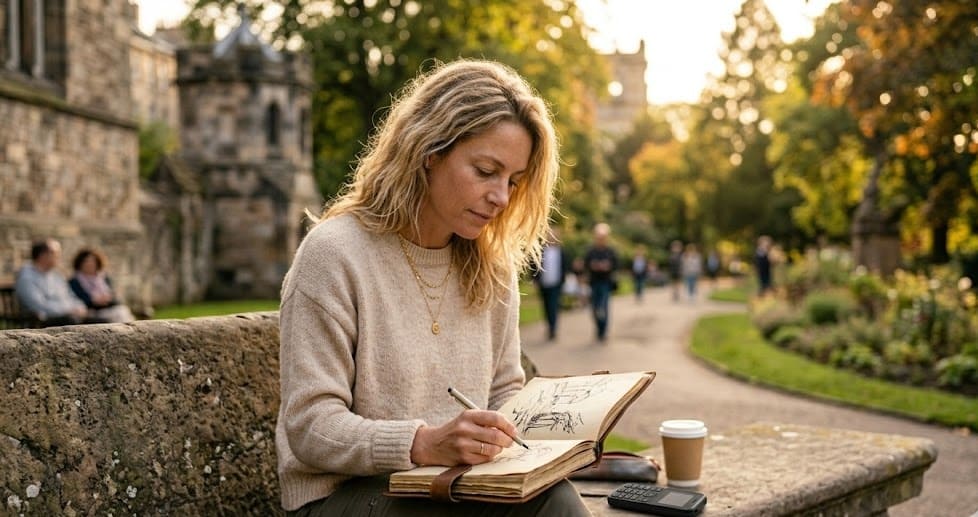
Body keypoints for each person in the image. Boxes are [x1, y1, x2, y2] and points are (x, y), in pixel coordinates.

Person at [275, 60, 590, 516]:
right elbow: (309, 427)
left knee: (555, 500)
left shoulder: (491, 265)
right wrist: (423, 443)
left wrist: (542, 435)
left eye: (513, 181)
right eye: (485, 171)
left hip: (458, 487)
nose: (501, 197)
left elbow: (504, 392)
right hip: (347, 496)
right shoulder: (335, 252)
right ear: (429, 151)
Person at [14, 239, 106, 327]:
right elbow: (39, 305)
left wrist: (80, 307)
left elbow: (71, 296)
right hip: (45, 320)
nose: (59, 257)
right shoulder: (27, 278)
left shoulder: (57, 276)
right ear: (43, 255)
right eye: (55, 254)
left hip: (68, 315)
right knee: (72, 320)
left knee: (102, 321)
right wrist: (69, 310)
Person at [68, 248, 135, 323]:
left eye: (93, 261)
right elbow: (76, 300)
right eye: (86, 261)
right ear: (80, 263)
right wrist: (94, 301)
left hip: (109, 308)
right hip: (91, 312)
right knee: (118, 315)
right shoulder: (74, 281)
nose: (90, 264)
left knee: (122, 311)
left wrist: (107, 299)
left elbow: (115, 298)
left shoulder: (104, 278)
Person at [531, 227, 571, 341]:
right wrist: (535, 280)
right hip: (543, 284)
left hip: (556, 284)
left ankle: (553, 328)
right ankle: (549, 325)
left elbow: (565, 267)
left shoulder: (561, 252)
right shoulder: (541, 250)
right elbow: (534, 267)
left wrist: (564, 280)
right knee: (546, 306)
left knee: (553, 305)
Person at [584, 223, 619, 343]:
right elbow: (586, 264)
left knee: (603, 307)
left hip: (605, 282)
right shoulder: (591, 251)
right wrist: (593, 266)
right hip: (594, 282)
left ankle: (603, 331)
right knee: (594, 308)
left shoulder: (610, 251)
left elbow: (616, 264)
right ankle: (598, 329)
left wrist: (607, 266)